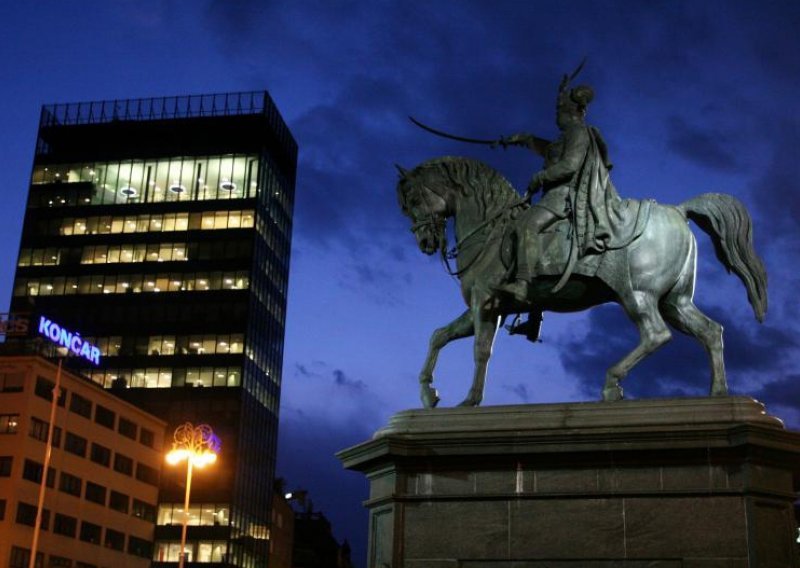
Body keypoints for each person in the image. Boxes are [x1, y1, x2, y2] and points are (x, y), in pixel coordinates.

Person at [494, 79, 623, 304]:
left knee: (526, 226)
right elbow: (549, 151)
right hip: (553, 195)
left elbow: (569, 165)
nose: (556, 116)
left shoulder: (577, 131)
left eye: (559, 111)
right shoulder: (565, 136)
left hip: (564, 196)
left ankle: (522, 284)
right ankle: (535, 311)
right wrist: (524, 139)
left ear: (570, 111)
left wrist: (540, 177)